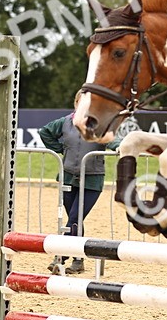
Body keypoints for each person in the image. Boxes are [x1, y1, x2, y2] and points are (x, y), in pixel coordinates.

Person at [38, 97, 120, 275]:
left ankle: (60, 256)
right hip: (68, 178)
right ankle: (78, 260)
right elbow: (45, 132)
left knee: (74, 218)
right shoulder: (64, 122)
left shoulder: (101, 125)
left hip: (92, 180)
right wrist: (61, 149)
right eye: (82, 103)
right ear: (76, 104)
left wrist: (119, 147)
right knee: (74, 221)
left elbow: (113, 141)